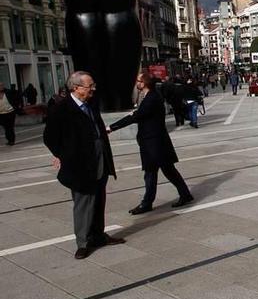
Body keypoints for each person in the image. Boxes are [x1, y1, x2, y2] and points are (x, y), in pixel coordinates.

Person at [43, 71, 126, 259]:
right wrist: (62, 155)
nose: (94, 89)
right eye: (90, 86)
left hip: (100, 161)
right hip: (79, 165)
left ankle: (98, 236)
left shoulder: (91, 103)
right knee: (83, 204)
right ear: (76, 88)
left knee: (98, 201)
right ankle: (83, 242)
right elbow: (49, 137)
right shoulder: (61, 109)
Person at [108, 71, 194, 215]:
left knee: (153, 173)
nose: (136, 83)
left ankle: (148, 203)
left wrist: (112, 127)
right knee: (164, 171)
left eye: (138, 81)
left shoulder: (152, 98)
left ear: (144, 83)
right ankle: (183, 195)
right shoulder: (149, 96)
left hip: (154, 143)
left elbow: (135, 116)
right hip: (154, 142)